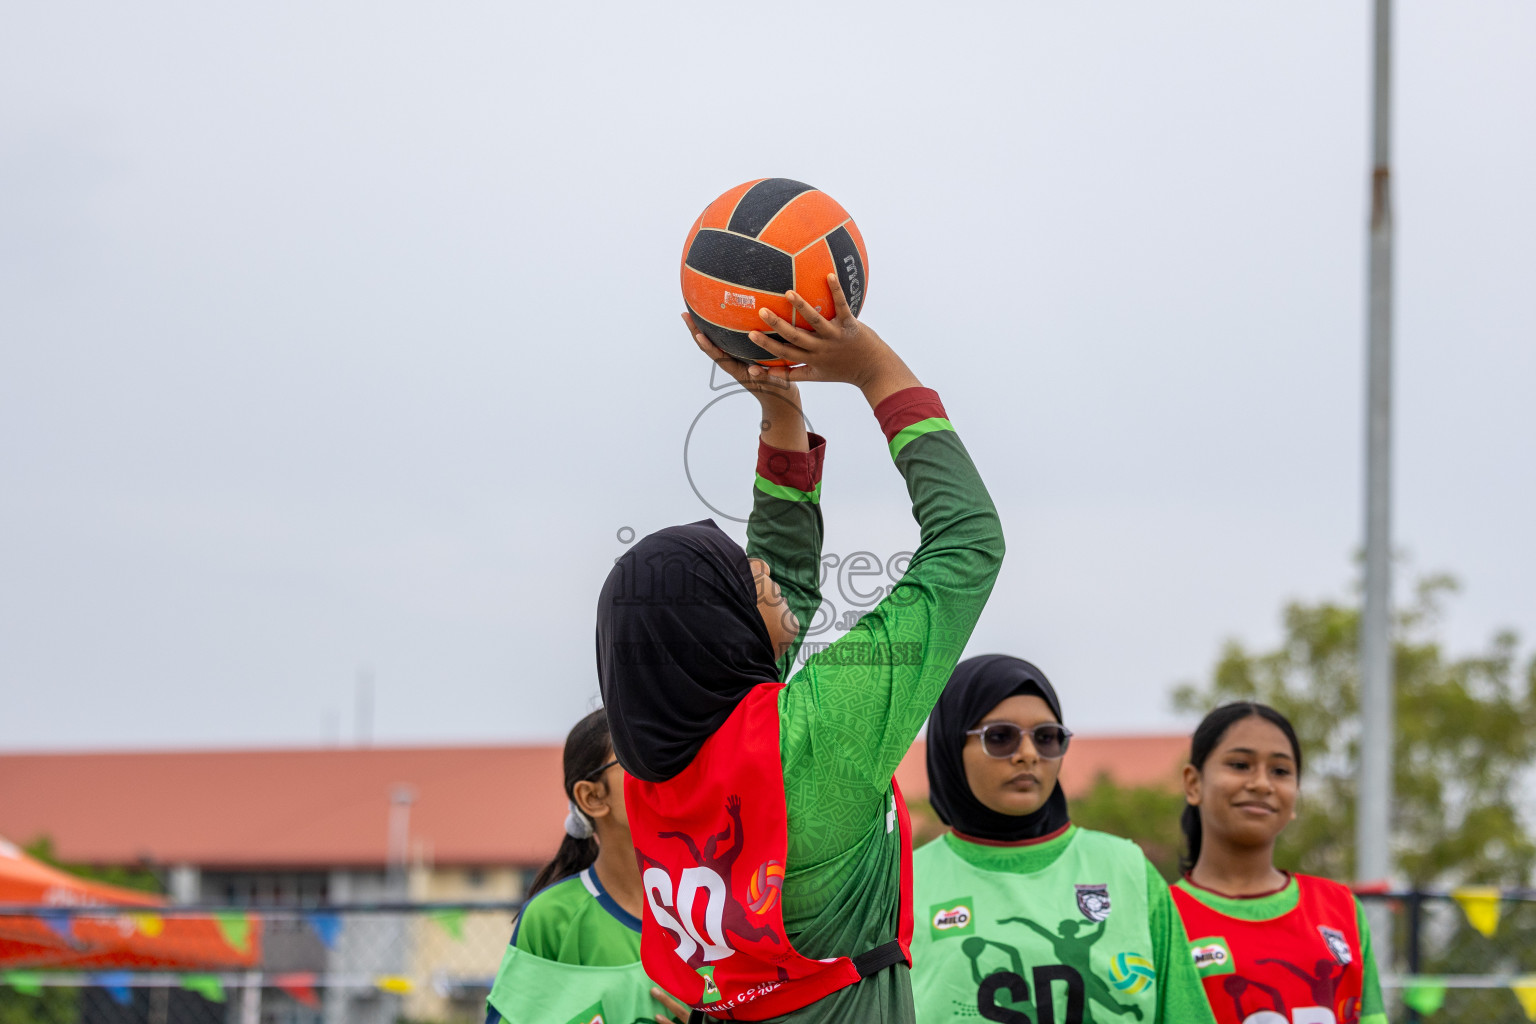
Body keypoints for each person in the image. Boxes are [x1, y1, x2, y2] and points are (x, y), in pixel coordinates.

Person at [594, 277, 1006, 1022]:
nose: (759, 565)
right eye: (736, 573)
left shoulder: (663, 773)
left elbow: (781, 583)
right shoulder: (813, 739)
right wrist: (873, 367)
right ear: (724, 630)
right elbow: (968, 543)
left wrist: (778, 404)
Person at [910, 655, 1216, 1024]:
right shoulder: (905, 885)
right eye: (1000, 737)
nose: (1028, 755)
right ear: (950, 744)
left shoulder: (1127, 869)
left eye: (1047, 737)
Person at [1171, 702, 1387, 1024]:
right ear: (1193, 783)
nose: (1262, 784)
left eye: (1280, 771)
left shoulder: (1339, 908)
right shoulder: (1161, 917)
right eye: (1240, 764)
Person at [485, 708, 690, 1024]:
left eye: (673, 752)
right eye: (639, 756)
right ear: (592, 797)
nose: (667, 769)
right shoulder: (551, 919)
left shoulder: (716, 907)